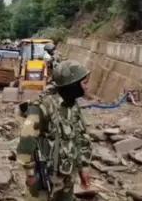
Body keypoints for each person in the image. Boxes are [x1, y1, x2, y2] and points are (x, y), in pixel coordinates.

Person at [16, 60, 92, 201]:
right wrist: (30, 174)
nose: (88, 87)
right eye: (84, 82)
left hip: (67, 177)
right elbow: (26, 141)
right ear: (73, 84)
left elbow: (81, 137)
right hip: (44, 179)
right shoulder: (43, 106)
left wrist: (84, 167)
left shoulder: (72, 106)